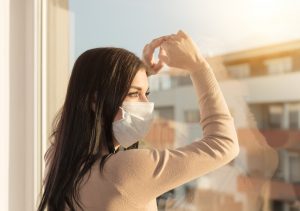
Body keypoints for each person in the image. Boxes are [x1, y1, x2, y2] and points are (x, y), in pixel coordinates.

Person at [38, 30, 239, 211]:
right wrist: (198, 66)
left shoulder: (57, 161)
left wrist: (139, 74)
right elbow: (224, 144)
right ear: (95, 101)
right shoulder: (123, 171)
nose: (146, 104)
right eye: (135, 94)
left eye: (147, 93)